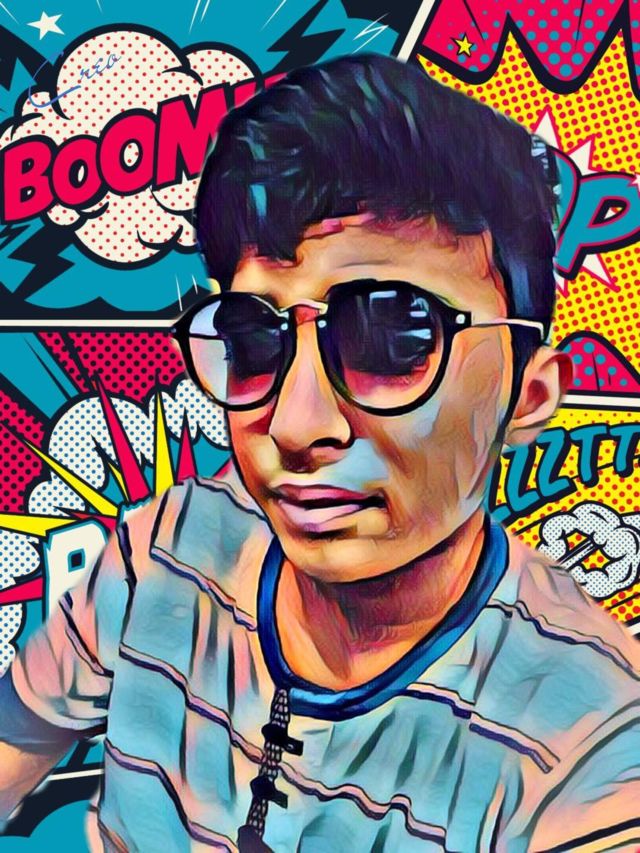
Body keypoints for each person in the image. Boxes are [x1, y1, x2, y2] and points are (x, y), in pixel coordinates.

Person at [1, 54, 639, 853]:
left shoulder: (592, 750)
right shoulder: (165, 551)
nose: (297, 425)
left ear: (530, 394)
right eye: (253, 339)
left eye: (393, 334)